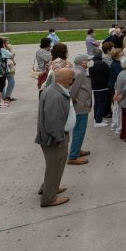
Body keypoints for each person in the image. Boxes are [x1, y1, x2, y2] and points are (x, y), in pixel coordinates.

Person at [35, 67, 75, 207]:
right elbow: (52, 121)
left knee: (56, 166)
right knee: (54, 167)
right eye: (72, 79)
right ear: (66, 80)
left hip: (58, 136)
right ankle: (49, 198)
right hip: (54, 139)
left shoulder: (55, 89)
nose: (73, 81)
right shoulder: (55, 95)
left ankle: (50, 187)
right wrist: (59, 138)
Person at [68, 54, 93, 164]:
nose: (88, 62)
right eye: (87, 60)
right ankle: (73, 156)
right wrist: (72, 102)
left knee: (78, 130)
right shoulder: (79, 73)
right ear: (81, 62)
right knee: (79, 130)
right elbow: (73, 91)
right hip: (80, 105)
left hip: (81, 104)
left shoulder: (78, 71)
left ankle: (76, 150)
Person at [89, 48, 110, 128]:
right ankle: (98, 121)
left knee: (97, 103)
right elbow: (108, 74)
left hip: (95, 86)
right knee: (102, 103)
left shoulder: (91, 63)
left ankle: (97, 117)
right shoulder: (102, 64)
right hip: (103, 86)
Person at [108, 49, 124, 133]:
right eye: (122, 54)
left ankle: (114, 124)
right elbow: (120, 78)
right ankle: (119, 127)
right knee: (118, 109)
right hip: (117, 87)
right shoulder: (117, 65)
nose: (123, 55)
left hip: (114, 86)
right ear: (117, 56)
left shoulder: (115, 64)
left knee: (115, 108)